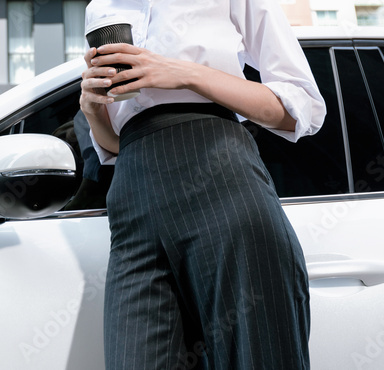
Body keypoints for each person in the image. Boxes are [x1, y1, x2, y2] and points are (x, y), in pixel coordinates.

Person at [79, 1, 326, 369]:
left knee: (260, 355)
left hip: (219, 176)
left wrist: (184, 74)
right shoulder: (100, 6)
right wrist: (92, 110)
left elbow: (300, 109)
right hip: (133, 202)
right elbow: (115, 145)